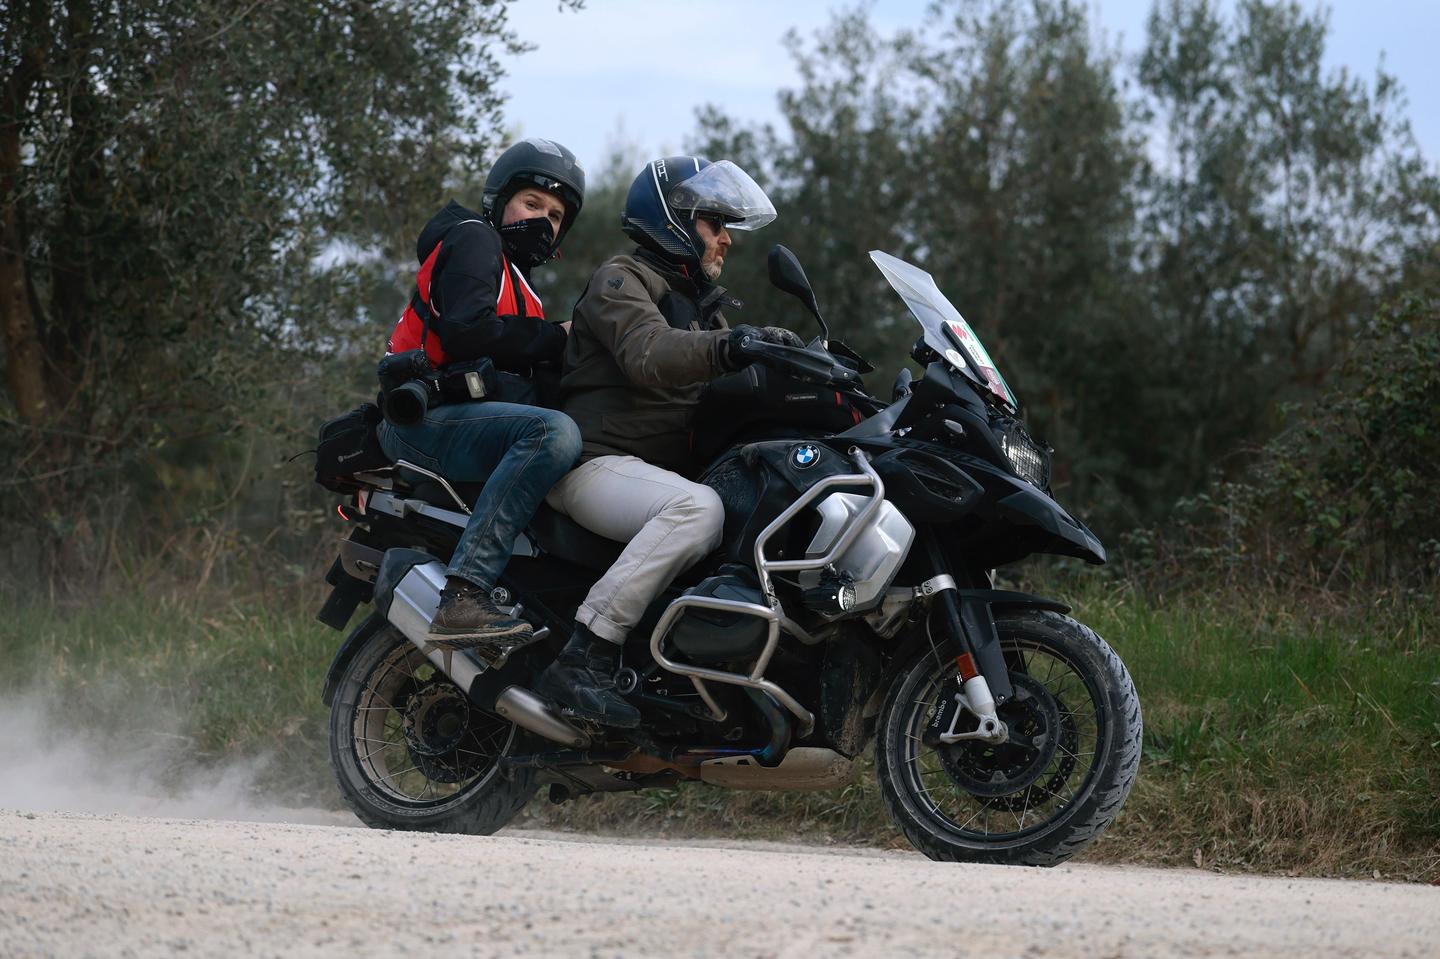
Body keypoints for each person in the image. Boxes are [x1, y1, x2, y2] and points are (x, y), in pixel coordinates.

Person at [534, 156, 803, 726]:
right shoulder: (620, 280)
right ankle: (584, 656)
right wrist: (733, 348)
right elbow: (649, 354)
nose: (726, 239)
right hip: (595, 465)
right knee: (697, 510)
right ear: (673, 220)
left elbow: (728, 382)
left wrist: (802, 369)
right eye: (714, 223)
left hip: (653, 476)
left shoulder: (702, 310)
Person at [378, 138, 585, 659]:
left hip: (458, 418)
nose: (544, 221)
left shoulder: (522, 288)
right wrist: (557, 337)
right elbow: (469, 331)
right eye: (532, 204)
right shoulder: (475, 238)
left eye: (557, 215)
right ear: (500, 202)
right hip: (425, 417)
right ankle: (464, 595)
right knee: (552, 433)